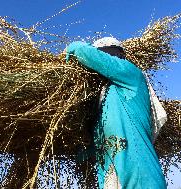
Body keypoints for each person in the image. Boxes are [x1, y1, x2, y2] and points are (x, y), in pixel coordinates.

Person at [65, 37, 167, 189]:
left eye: (105, 54)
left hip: (141, 180)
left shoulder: (131, 74)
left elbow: (85, 52)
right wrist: (83, 153)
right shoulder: (103, 103)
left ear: (118, 54)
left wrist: (74, 46)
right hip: (113, 182)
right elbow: (108, 144)